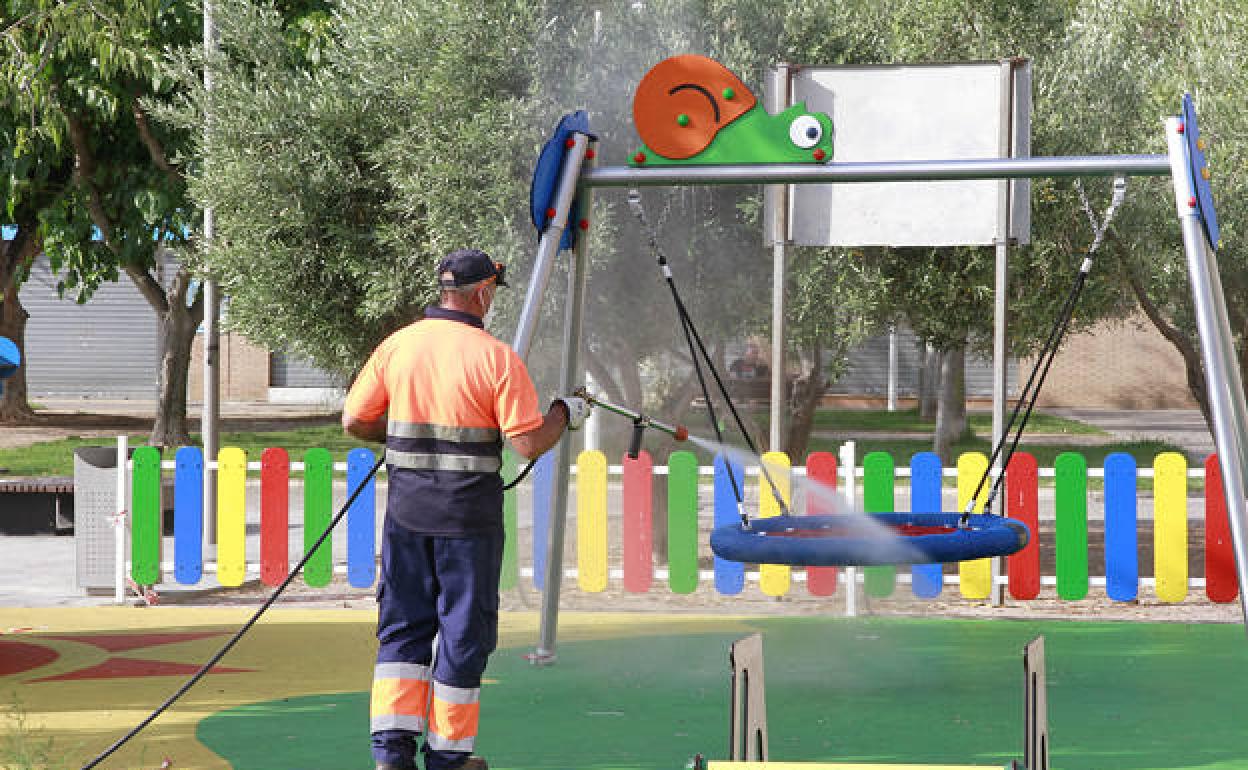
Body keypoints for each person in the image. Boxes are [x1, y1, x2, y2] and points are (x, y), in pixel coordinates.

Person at [342, 248, 591, 770]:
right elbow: (527, 444)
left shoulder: (399, 346)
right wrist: (567, 412)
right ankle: (449, 760)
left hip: (407, 517)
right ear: (482, 294)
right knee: (461, 634)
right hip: (467, 526)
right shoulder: (495, 358)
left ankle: (391, 756)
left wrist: (409, 437)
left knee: (403, 632)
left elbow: (355, 421)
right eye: (493, 293)